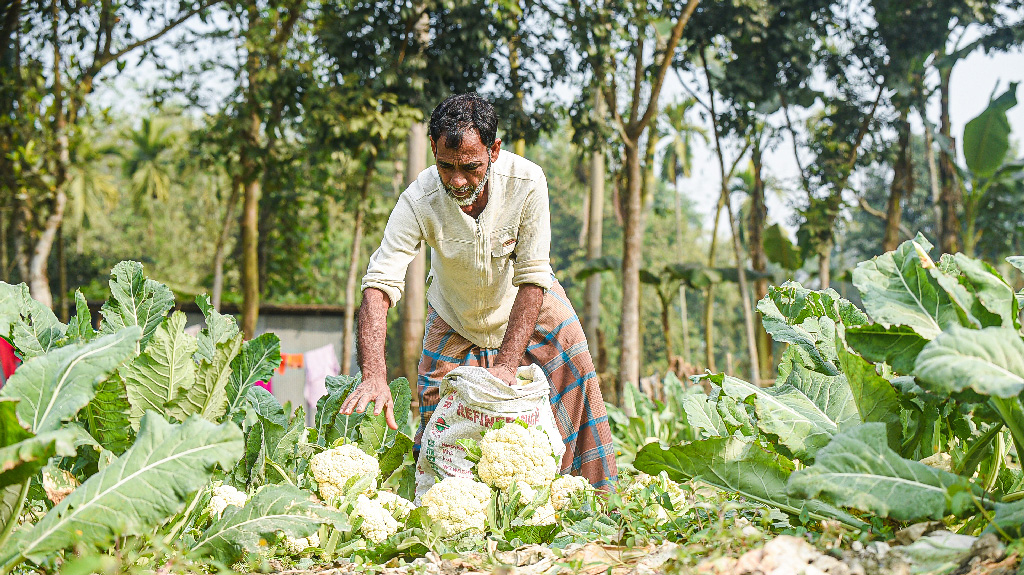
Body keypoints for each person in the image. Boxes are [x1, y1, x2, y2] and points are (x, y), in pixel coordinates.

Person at [340, 93, 617, 490]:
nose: (457, 180)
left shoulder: (528, 182)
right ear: (433, 148)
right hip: (454, 315)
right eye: (445, 166)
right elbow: (379, 283)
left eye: (470, 167)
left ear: (494, 150)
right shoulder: (419, 199)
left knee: (577, 370)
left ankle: (595, 500)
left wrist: (505, 366)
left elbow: (534, 274)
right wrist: (374, 374)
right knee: (439, 430)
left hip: (530, 304)